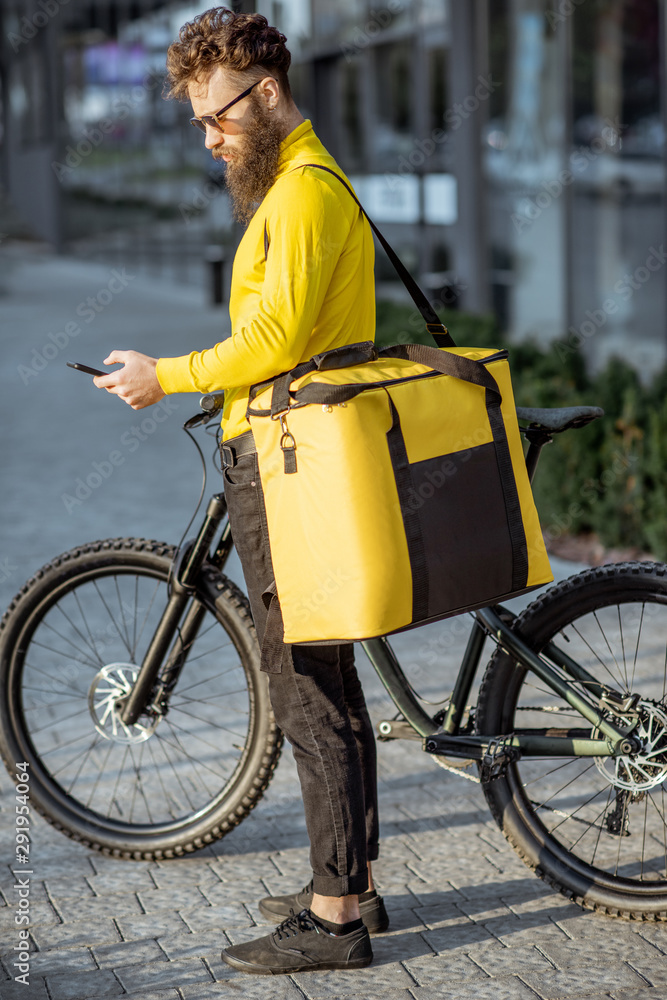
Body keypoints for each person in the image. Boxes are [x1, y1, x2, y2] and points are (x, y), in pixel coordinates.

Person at [93, 6, 388, 976]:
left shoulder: (301, 192)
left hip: (289, 467)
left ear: (265, 94)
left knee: (306, 687)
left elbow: (275, 343)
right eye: (197, 124)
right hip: (281, 453)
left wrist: (164, 373)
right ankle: (349, 882)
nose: (209, 136)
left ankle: (336, 914)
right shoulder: (293, 184)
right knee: (325, 681)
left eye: (216, 116)